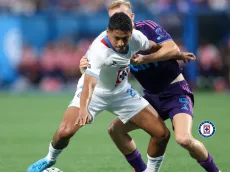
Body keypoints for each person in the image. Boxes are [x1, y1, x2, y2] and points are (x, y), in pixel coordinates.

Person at [79, 1, 220, 172]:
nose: (119, 20)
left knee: (184, 139)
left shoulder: (146, 28)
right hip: (151, 96)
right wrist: (85, 64)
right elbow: (95, 65)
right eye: (114, 18)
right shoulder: (114, 42)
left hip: (175, 91)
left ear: (131, 17)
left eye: (123, 16)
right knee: (115, 129)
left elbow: (171, 48)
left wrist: (147, 58)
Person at [27, 12, 175, 172]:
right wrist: (83, 110)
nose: (120, 43)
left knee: (162, 134)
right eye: (116, 38)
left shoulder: (137, 38)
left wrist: (176, 53)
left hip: (122, 93)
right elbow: (89, 84)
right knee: (65, 132)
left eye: (125, 38)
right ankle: (49, 158)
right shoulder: (100, 49)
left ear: (131, 34)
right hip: (94, 93)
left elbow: (154, 46)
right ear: (108, 31)